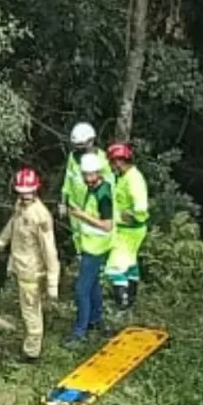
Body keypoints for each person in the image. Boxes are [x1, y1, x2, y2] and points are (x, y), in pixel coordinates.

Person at [0, 167, 60, 362]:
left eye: (28, 192)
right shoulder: (20, 207)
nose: (24, 196)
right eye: (21, 192)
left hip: (32, 272)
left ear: (35, 190)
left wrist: (52, 282)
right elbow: (11, 228)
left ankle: (31, 352)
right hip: (20, 266)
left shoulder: (40, 216)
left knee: (30, 312)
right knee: (30, 309)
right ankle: (34, 340)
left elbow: (50, 251)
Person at [61, 153, 113, 346]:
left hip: (96, 248)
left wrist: (81, 216)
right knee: (93, 286)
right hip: (90, 246)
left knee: (81, 289)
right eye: (86, 176)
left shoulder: (103, 194)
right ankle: (95, 320)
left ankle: (80, 332)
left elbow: (107, 225)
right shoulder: (95, 189)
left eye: (92, 175)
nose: (89, 179)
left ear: (99, 173)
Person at [105, 142, 149, 310]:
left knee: (115, 267)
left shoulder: (133, 179)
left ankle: (122, 307)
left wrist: (133, 217)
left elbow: (141, 207)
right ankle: (131, 303)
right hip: (125, 230)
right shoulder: (124, 177)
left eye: (112, 162)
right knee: (129, 264)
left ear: (119, 161)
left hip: (129, 231)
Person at [60, 122, 113, 254]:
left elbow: (109, 187)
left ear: (91, 141)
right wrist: (63, 202)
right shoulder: (73, 157)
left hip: (93, 211)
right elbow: (67, 181)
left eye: (82, 147)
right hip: (75, 208)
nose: (79, 151)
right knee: (78, 238)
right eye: (77, 147)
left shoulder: (102, 160)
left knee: (95, 239)